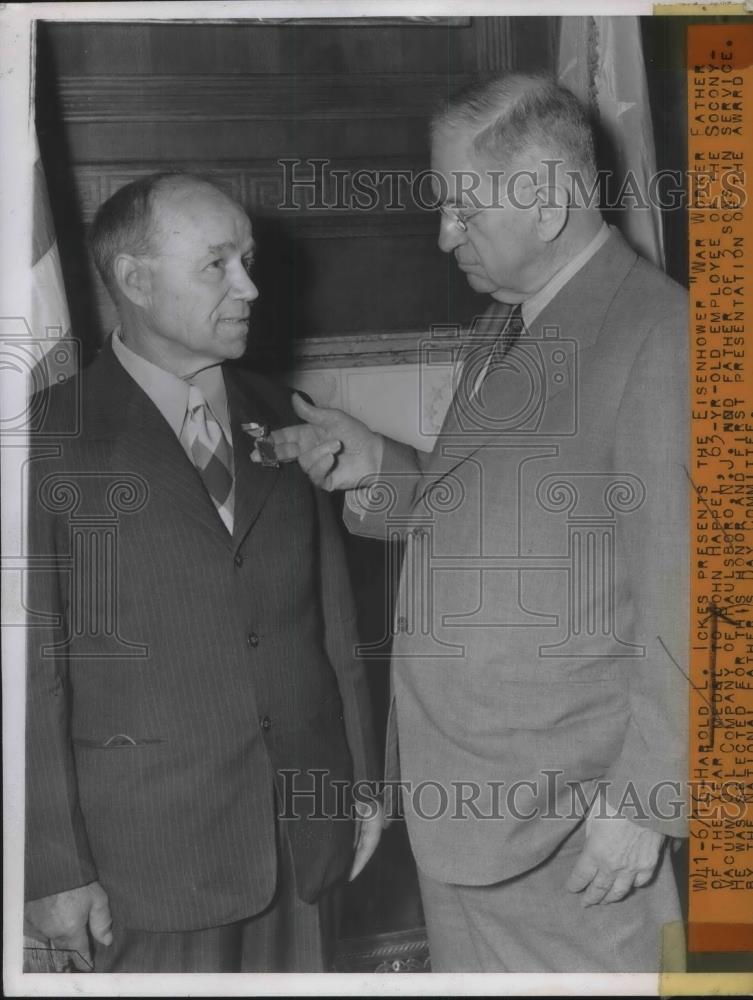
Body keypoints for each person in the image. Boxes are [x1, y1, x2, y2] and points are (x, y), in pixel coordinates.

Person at [265, 74, 689, 972]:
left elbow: (694, 590)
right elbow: (508, 518)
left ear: (547, 203)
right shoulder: (505, 325)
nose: (442, 235)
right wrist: (377, 467)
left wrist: (647, 801)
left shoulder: (663, 337)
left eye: (463, 210)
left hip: (575, 827)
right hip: (465, 796)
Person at [23, 173, 380, 973]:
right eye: (217, 265)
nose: (249, 287)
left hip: (302, 840)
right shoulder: (45, 440)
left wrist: (357, 784)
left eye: (247, 260)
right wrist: (52, 867)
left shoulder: (285, 417)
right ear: (136, 281)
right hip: (144, 869)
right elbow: (27, 676)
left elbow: (332, 627)